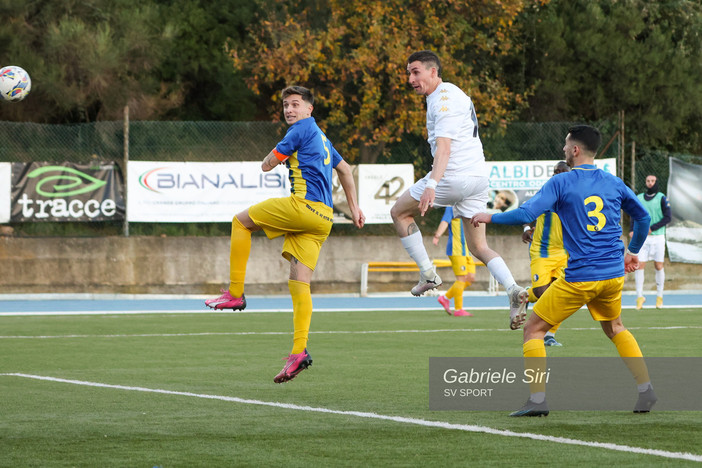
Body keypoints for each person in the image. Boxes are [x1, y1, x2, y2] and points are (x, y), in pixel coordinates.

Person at [472, 125, 657, 416]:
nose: (563, 150)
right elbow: (643, 218)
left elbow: (526, 214)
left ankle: (537, 401)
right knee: (615, 327)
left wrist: (488, 216)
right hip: (612, 276)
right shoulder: (614, 182)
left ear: (575, 150)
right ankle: (646, 390)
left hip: (582, 276)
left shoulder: (562, 183)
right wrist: (632, 251)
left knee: (533, 329)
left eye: (565, 145)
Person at [205, 86, 365, 384]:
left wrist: (276, 154)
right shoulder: (323, 137)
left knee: (240, 223)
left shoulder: (301, 131)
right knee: (299, 283)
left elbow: (267, 165)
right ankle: (299, 352)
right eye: (285, 106)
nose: (289, 110)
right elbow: (344, 170)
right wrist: (354, 208)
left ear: (309, 109)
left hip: (303, 207)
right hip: (324, 220)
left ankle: (235, 294)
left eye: (295, 104)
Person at [391, 50, 528, 329]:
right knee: (479, 247)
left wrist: (432, 185)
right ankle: (513, 289)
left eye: (415, 72)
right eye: (408, 73)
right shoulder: (455, 93)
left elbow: (444, 147)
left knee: (398, 212)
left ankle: (428, 274)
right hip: (478, 180)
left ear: (433, 71)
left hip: (452, 177)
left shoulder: (441, 100)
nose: (410, 79)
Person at [521, 161, 571, 347]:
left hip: (563, 253)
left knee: (562, 295)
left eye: (562, 171)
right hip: (541, 251)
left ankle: (550, 334)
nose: (557, 174)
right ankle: (526, 294)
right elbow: (527, 209)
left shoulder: (574, 195)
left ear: (569, 173)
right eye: (555, 171)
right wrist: (527, 227)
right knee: (543, 292)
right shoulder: (546, 191)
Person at [629, 174, 671, 309]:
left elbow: (667, 217)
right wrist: (631, 229)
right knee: (639, 265)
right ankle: (639, 297)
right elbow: (634, 215)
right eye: (648, 180)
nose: (650, 183)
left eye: (653, 180)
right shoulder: (640, 198)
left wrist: (652, 228)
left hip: (658, 236)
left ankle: (660, 297)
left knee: (658, 266)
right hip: (643, 237)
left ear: (656, 182)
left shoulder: (662, 198)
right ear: (645, 182)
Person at [432, 206, 476, 317]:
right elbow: (445, 221)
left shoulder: (469, 205)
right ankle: (458, 309)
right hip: (456, 249)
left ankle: (445, 298)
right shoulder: (452, 206)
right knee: (461, 279)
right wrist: (437, 235)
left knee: (470, 278)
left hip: (467, 250)